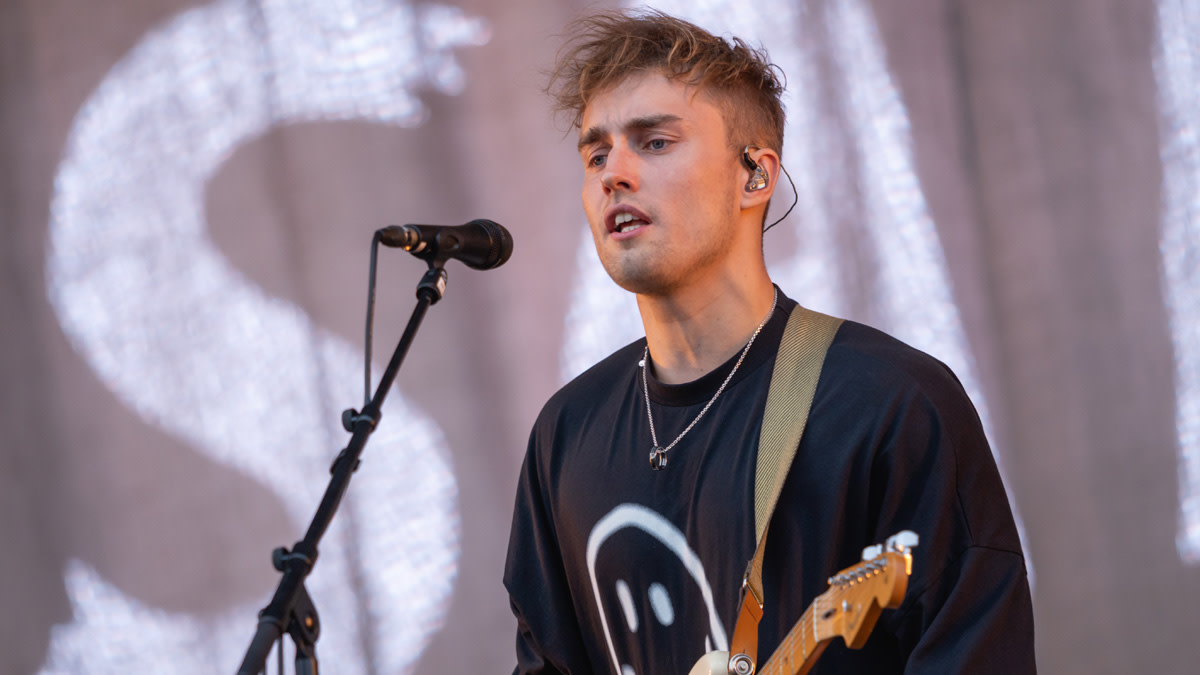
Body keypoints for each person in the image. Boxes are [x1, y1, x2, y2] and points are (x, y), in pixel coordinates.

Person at [504, 9, 1035, 674]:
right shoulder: (565, 435)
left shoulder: (889, 404)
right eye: (596, 153)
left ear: (755, 174)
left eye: (655, 142)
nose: (614, 173)